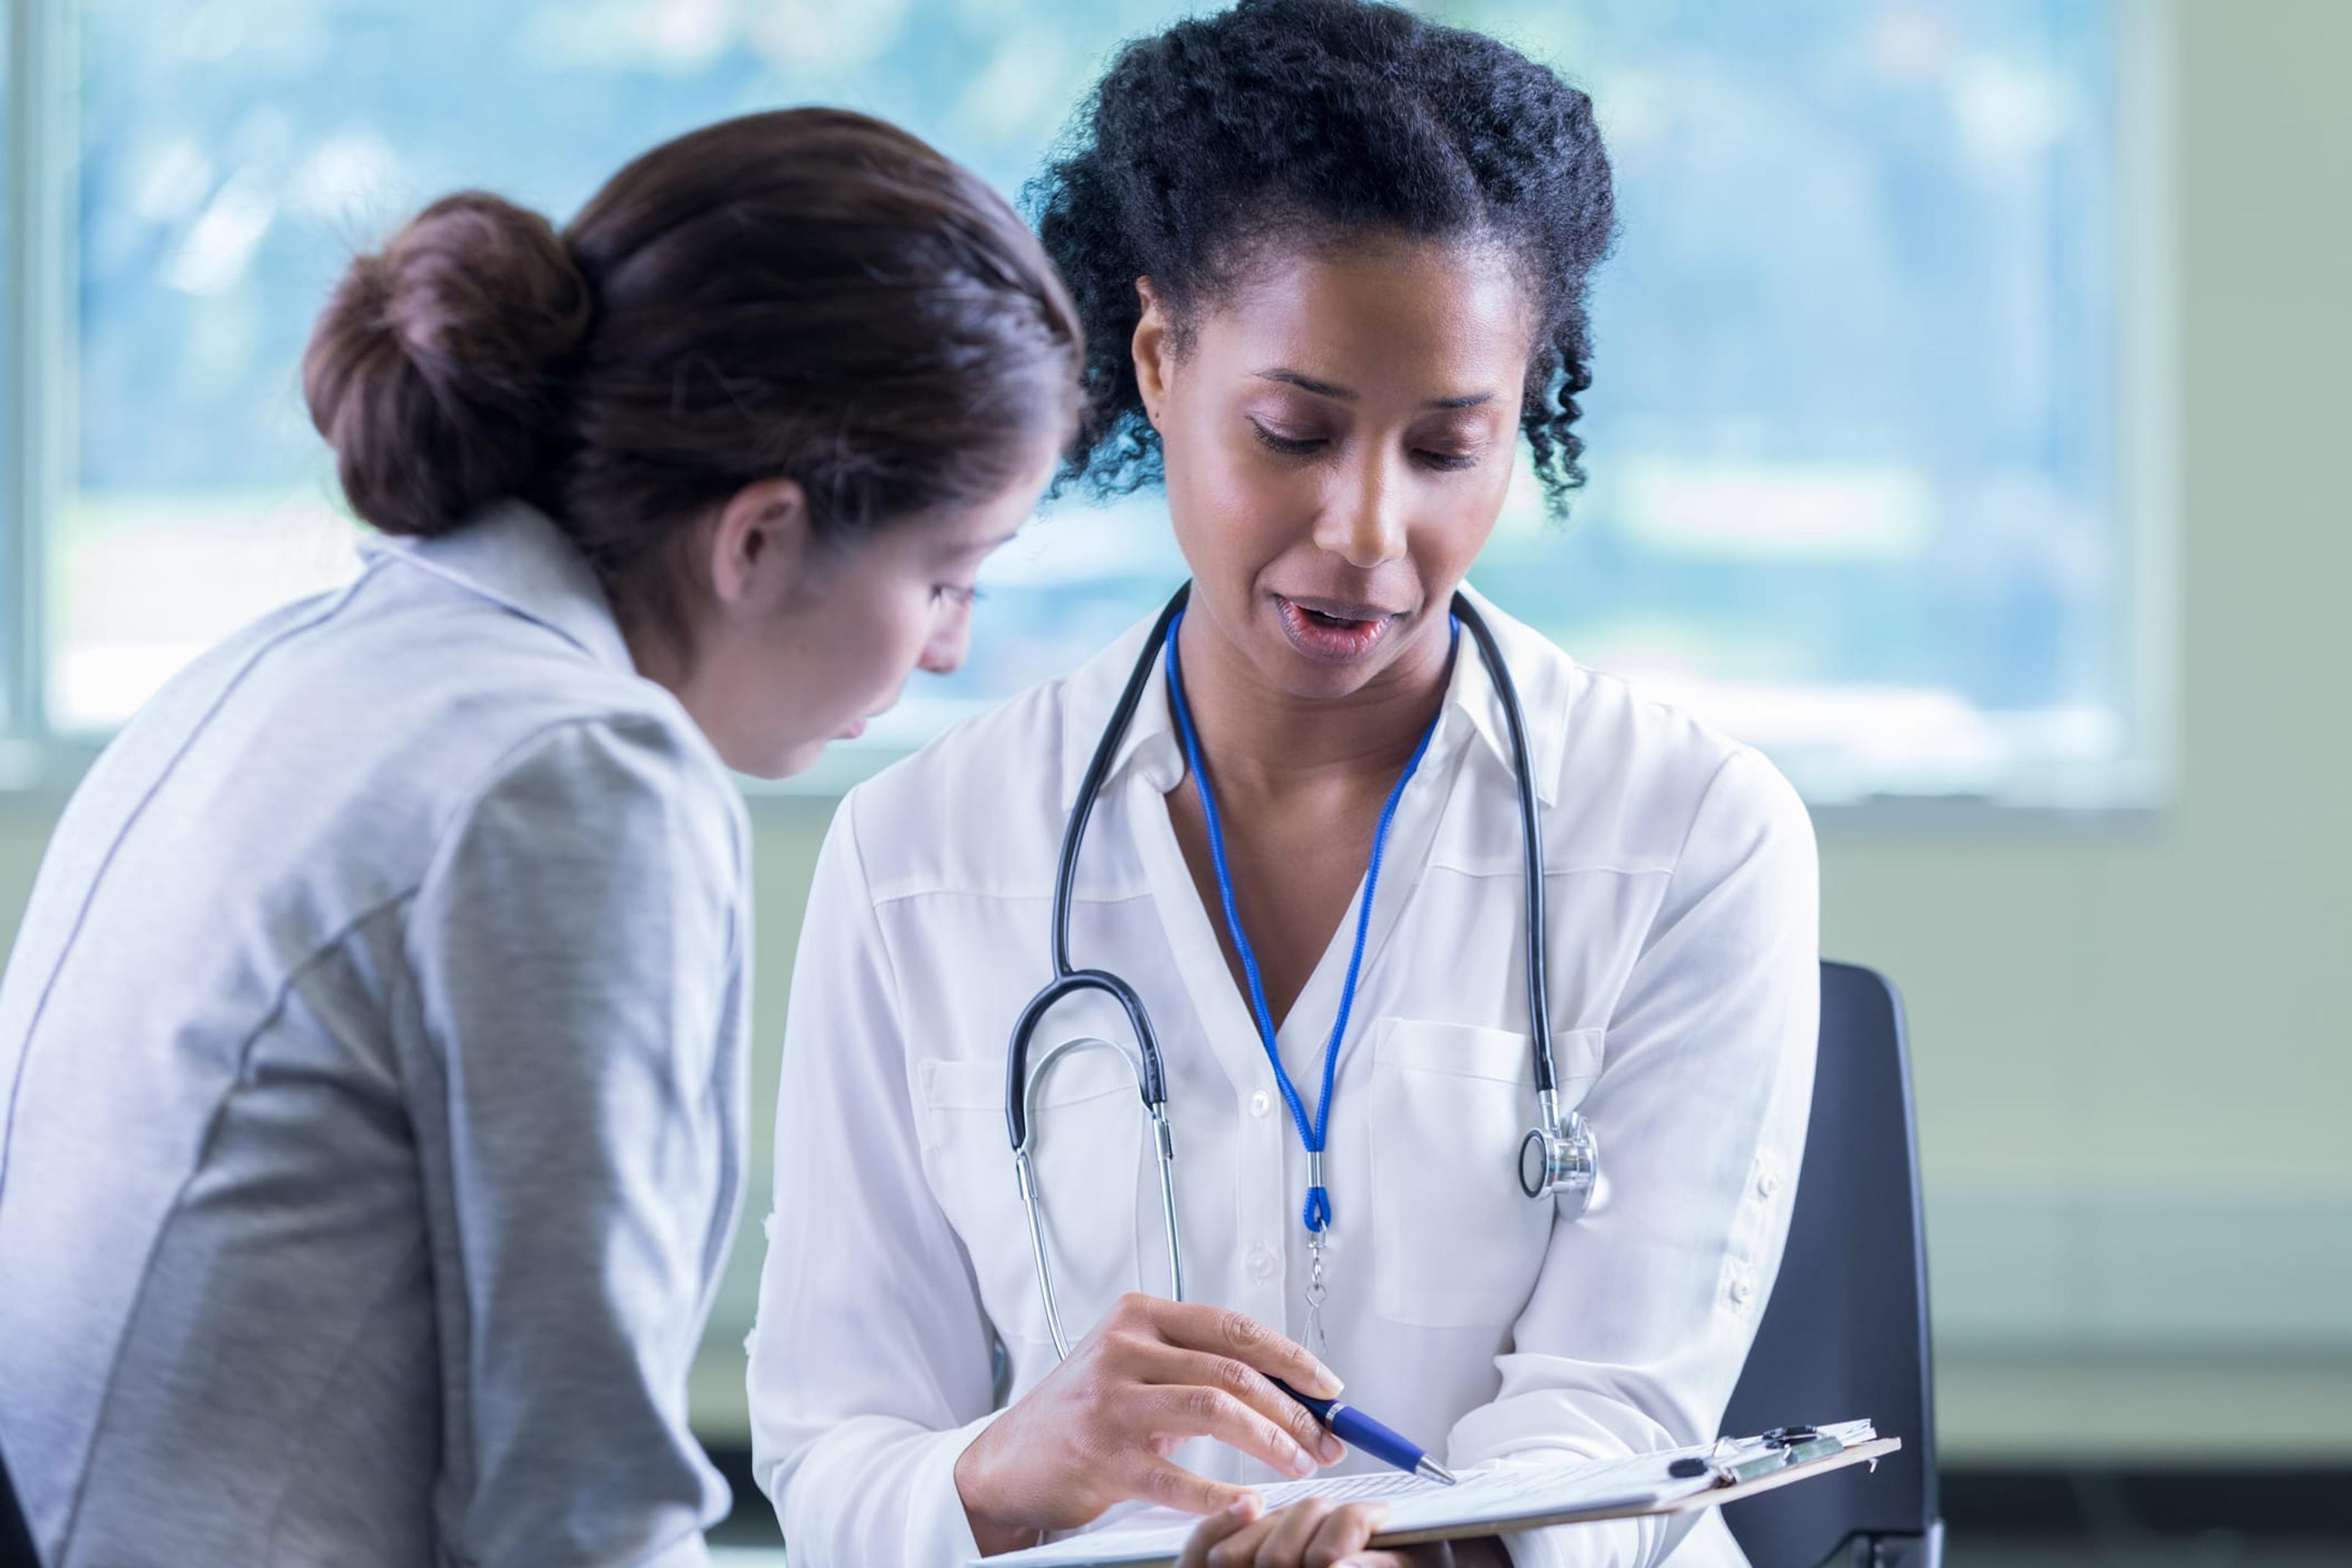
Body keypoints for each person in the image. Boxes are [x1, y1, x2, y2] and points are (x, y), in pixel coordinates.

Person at [747, 4, 1819, 1566]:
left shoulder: (1693, 837)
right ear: (1162, 356)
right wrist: (1005, 1466)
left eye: (1449, 448)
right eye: (1294, 431)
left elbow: (1619, 1423)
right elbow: (837, 1442)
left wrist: (1438, 1551)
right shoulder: (923, 854)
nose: (1369, 531)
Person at [0, 108, 1079, 1568]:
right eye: (950, 576)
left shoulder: (294, 658)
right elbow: (581, 1516)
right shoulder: (578, 776)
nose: (949, 649)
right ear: (758, 537)